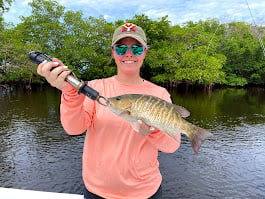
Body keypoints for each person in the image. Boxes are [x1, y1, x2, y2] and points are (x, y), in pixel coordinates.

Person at [37, 23, 181, 199]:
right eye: (121, 48)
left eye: (136, 48)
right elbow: (73, 129)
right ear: (113, 52)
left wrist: (152, 130)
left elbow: (172, 146)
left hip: (145, 192)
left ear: (145, 52)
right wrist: (70, 93)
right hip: (97, 192)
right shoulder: (95, 88)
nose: (129, 53)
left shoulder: (160, 93)